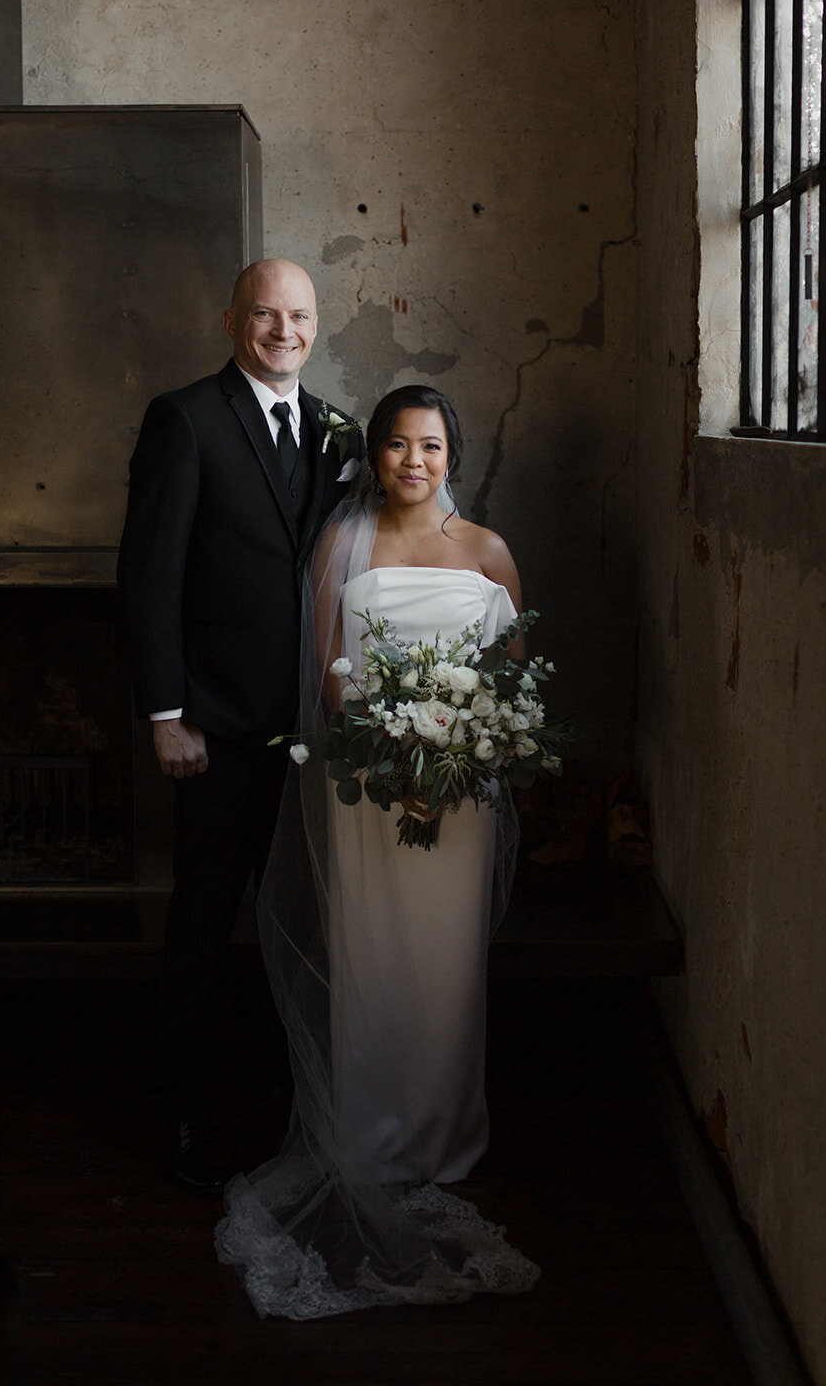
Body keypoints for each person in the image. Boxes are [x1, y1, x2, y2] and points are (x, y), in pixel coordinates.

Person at [216, 384, 541, 1317]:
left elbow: (511, 675)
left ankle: (443, 1136)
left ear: (453, 455)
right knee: (373, 956)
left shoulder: (488, 553)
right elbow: (324, 671)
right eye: (397, 446)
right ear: (377, 455)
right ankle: (366, 1132)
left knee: (445, 965)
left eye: (430, 447)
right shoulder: (340, 544)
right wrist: (384, 741)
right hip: (367, 791)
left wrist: (459, 742)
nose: (413, 462)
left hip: (458, 796)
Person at [117, 258, 361, 1194]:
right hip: (212, 728)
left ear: (316, 322)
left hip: (310, 729)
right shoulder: (184, 420)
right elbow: (150, 576)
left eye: (297, 315)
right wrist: (166, 713)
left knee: (296, 918)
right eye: (265, 314)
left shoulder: (337, 427)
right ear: (231, 320)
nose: (283, 330)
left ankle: (283, 1095)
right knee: (203, 921)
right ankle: (183, 1109)